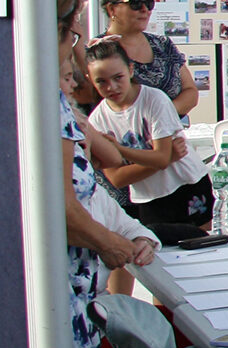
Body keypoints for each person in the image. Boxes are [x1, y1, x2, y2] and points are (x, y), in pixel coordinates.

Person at [57, 0, 159, 348]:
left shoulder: (65, 109)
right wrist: (115, 245)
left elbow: (105, 171)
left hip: (77, 286)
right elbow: (66, 208)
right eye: (75, 32)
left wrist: (129, 235)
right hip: (61, 291)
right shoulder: (53, 106)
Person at [84, 41, 213, 229]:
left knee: (201, 247)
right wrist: (166, 158)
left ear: (130, 70)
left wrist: (119, 149)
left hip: (186, 184)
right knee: (160, 252)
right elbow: (117, 178)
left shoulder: (154, 99)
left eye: (118, 77)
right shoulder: (97, 120)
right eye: (101, 81)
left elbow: (160, 158)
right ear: (90, 79)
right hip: (147, 197)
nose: (112, 87)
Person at [97, 0, 198, 120]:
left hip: (172, 133)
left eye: (148, 3)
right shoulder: (99, 51)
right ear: (112, 9)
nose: (145, 10)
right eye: (135, 3)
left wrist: (163, 114)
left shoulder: (163, 44)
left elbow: (191, 91)